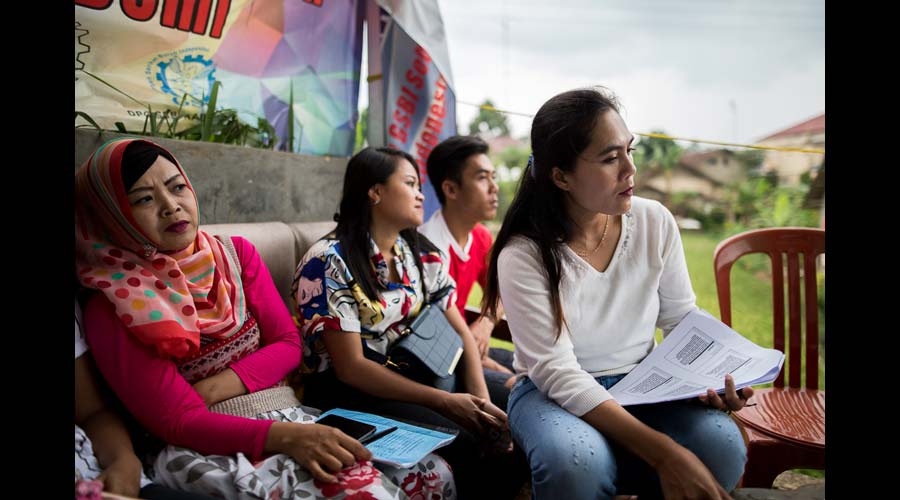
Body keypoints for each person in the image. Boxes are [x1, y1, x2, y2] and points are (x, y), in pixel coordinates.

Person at [75, 138, 453, 500]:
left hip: (290, 414)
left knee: (433, 473)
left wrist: (212, 388)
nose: (171, 206)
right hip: (208, 446)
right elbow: (177, 421)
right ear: (113, 216)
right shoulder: (114, 302)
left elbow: (289, 344)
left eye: (177, 188)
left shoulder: (234, 255)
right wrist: (284, 435)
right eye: (144, 199)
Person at [482, 87, 750, 500]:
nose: (630, 169)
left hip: (645, 383)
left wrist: (714, 375)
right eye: (610, 158)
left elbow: (681, 318)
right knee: (575, 464)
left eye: (630, 150)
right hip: (549, 394)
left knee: (722, 447)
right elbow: (556, 371)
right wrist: (665, 454)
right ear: (561, 176)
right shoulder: (525, 254)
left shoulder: (654, 221)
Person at [293, 146, 528, 499]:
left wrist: (481, 403)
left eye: (419, 185)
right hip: (356, 393)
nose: (421, 194)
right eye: (410, 184)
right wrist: (445, 401)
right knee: (465, 441)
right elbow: (351, 368)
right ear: (375, 192)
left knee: (519, 414)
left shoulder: (419, 252)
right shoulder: (328, 262)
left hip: (423, 371)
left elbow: (460, 330)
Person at [419, 135, 515, 409]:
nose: (494, 187)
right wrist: (490, 364)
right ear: (451, 189)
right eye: (482, 178)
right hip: (444, 362)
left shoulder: (480, 237)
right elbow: (435, 338)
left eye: (493, 177)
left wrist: (485, 323)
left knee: (546, 372)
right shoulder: (428, 250)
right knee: (530, 389)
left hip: (471, 345)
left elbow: (500, 292)